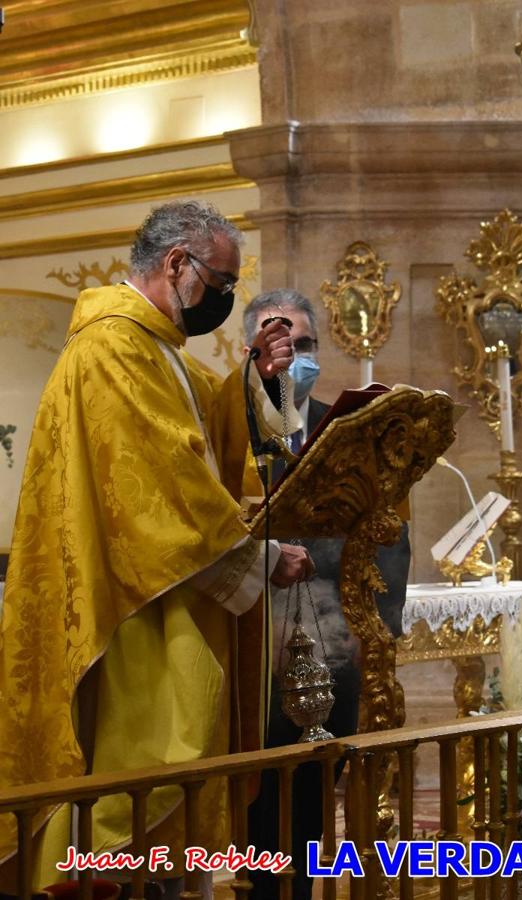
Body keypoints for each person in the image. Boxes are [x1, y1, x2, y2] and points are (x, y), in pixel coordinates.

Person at [0, 202, 313, 891]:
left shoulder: (156, 350)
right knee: (136, 784)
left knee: (169, 806)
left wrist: (259, 376)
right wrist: (264, 558)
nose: (225, 302)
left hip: (164, 594)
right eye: (222, 284)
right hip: (135, 608)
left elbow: (215, 421)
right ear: (177, 264)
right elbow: (166, 486)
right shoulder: (114, 348)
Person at [242, 289, 411, 900]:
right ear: (250, 352)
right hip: (248, 656)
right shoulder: (223, 429)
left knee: (312, 811)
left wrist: (375, 639)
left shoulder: (346, 436)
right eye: (278, 341)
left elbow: (387, 535)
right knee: (252, 811)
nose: (294, 356)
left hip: (334, 653)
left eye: (305, 343)